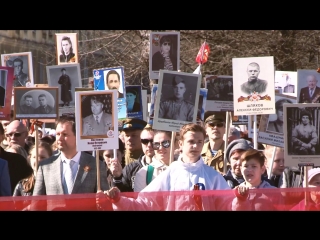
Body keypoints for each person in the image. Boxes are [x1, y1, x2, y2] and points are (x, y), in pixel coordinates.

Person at [98, 123, 230, 211]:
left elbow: (229, 205)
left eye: (199, 142)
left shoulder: (213, 176)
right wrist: (118, 200)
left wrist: (242, 197)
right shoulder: (170, 174)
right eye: (191, 141)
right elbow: (144, 204)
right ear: (180, 144)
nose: (195, 146)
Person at [32, 117, 110, 198]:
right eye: (58, 134)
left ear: (77, 136)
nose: (59, 138)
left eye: (65, 134)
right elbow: (37, 202)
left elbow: (105, 200)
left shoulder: (96, 165)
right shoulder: (45, 166)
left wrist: (103, 198)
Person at [111, 124, 154, 192]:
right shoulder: (130, 168)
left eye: (152, 141)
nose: (149, 145)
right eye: (145, 141)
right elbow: (122, 195)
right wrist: (117, 178)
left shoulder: (169, 165)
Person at [0, 122, 33, 194]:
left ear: (2, 137)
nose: (12, 137)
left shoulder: (19, 160)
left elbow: (29, 184)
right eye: (9, 134)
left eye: (17, 134)